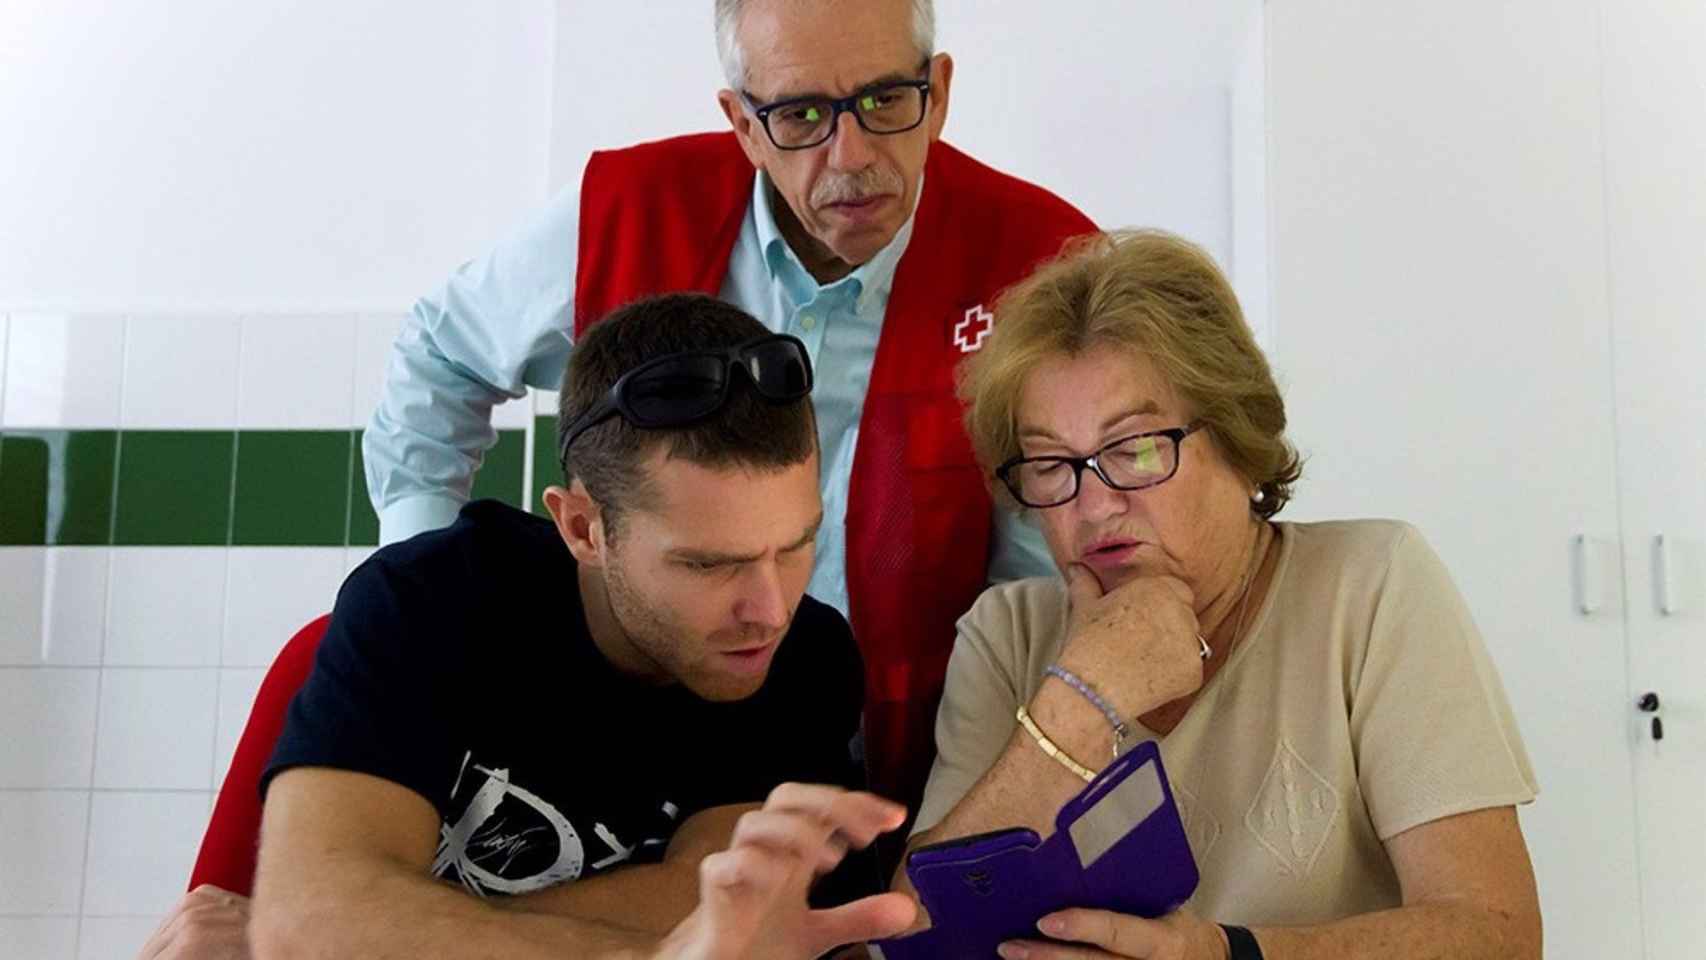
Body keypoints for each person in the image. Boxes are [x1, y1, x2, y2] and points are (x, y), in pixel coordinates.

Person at [364, 0, 1097, 808]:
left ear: (941, 90)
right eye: (801, 114)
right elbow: (442, 352)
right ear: (741, 123)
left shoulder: (1045, 262)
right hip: (634, 737)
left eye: (887, 100)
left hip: (916, 759)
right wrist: (411, 598)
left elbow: (1053, 574)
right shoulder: (628, 210)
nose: (850, 156)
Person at [141, 294, 917, 959]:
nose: (769, 608)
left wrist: (381, 928)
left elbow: (707, 908)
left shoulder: (808, 660)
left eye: (794, 546)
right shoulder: (428, 601)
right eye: (709, 566)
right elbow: (316, 922)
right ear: (582, 527)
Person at [904, 231, 1543, 959]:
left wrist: (1226, 955)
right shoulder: (1007, 632)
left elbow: (1498, 935)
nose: (1095, 503)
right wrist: (1081, 699)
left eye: (1138, 448)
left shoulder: (1371, 586)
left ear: (1238, 443)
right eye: (1052, 464)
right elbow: (914, 933)